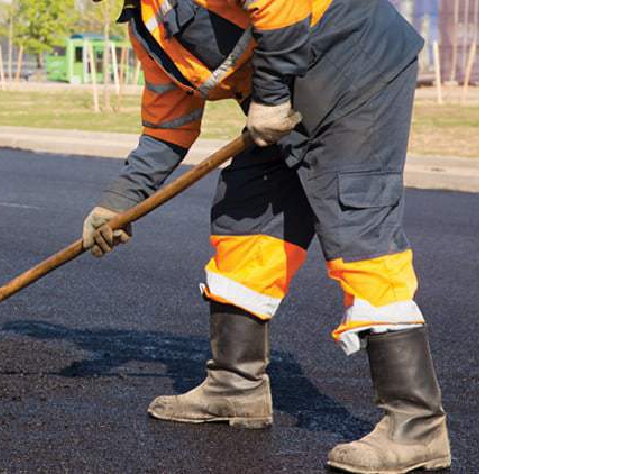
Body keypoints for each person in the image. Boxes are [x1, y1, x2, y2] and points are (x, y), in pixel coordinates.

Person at [82, 0, 450, 472]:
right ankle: (235, 387)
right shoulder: (147, 26)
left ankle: (416, 425)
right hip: (283, 100)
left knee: (356, 221)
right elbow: (167, 126)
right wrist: (119, 201)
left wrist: (272, 95)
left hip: (356, 69)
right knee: (246, 213)